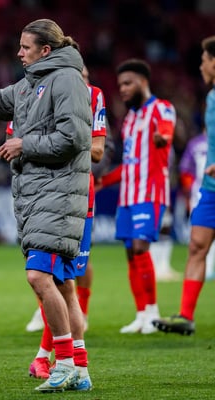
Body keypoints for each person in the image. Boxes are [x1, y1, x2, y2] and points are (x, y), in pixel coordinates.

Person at [0, 19, 92, 392]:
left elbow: (75, 137)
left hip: (58, 194)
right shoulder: (31, 82)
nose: (19, 53)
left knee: (38, 277)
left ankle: (62, 363)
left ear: (45, 50)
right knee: (63, 285)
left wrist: (24, 144)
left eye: (25, 47)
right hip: (39, 195)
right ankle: (80, 368)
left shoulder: (66, 80)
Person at [27, 65, 107, 381]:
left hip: (77, 201)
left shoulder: (93, 96)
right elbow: (14, 142)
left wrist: (55, 144)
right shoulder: (32, 94)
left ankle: (56, 361)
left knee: (58, 281)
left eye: (84, 76)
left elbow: (97, 152)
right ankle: (68, 364)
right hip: (40, 200)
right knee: (53, 281)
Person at [98, 59, 175, 334]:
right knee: (131, 253)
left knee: (141, 248)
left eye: (128, 83)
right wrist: (103, 181)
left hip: (150, 193)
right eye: (120, 85)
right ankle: (141, 314)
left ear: (143, 82)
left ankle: (153, 313)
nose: (123, 89)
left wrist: (162, 138)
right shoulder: (130, 119)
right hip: (127, 196)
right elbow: (130, 163)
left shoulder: (162, 108)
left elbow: (166, 131)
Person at [153, 36, 215, 335]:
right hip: (211, 189)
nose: (200, 67)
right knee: (196, 245)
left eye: (204, 61)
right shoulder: (212, 97)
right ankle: (186, 316)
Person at [178, 130, 215, 280]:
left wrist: (188, 192)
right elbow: (185, 172)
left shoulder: (194, 144)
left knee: (198, 239)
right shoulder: (195, 144)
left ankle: (207, 268)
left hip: (199, 193)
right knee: (201, 238)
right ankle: (208, 268)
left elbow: (185, 171)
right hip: (202, 193)